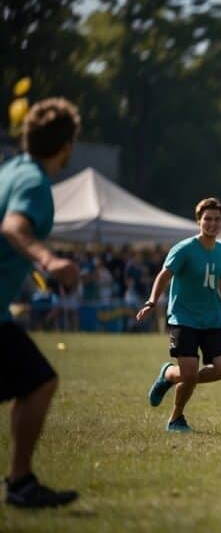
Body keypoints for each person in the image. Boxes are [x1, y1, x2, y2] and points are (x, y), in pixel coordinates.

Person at [0, 98, 81, 508]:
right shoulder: (32, 182)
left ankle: (20, 480)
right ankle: (19, 481)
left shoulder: (9, 170)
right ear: (66, 146)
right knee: (40, 382)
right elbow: (13, 226)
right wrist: (48, 259)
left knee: (32, 382)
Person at [137, 198, 221, 433]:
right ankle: (175, 419)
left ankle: (169, 376)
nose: (212, 223)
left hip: (211, 319)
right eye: (207, 219)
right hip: (183, 318)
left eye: (217, 219)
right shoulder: (184, 249)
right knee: (190, 374)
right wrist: (153, 300)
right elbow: (164, 275)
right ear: (199, 221)